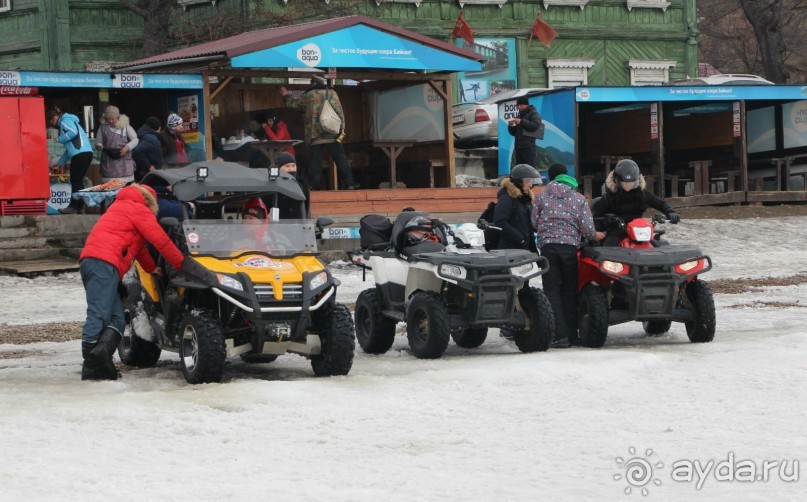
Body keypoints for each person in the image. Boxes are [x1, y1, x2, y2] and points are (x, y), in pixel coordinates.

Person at [78, 183, 185, 380]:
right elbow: (161, 240)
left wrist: (152, 268)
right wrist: (183, 265)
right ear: (150, 202)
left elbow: (139, 248)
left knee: (117, 317)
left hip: (95, 262)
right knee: (99, 313)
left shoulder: (120, 207)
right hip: (103, 263)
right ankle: (91, 366)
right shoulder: (138, 208)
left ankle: (101, 361)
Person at [532, 163, 605, 348]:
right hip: (569, 249)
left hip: (548, 247)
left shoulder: (542, 196)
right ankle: (572, 334)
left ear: (551, 178)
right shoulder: (578, 198)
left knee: (552, 290)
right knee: (569, 290)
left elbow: (533, 222)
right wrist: (596, 235)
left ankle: (558, 335)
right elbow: (588, 230)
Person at [280, 76, 359, 190]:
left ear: (313, 84)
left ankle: (314, 186)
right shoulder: (332, 93)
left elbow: (293, 105)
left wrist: (286, 95)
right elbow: (339, 112)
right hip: (332, 132)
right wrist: (342, 129)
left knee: (316, 161)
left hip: (314, 134)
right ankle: (350, 184)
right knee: (340, 159)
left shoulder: (308, 95)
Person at [591, 159, 680, 246]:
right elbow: (596, 218)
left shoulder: (643, 194)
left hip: (640, 230)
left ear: (637, 181)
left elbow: (660, 203)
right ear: (617, 181)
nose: (628, 185)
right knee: (608, 247)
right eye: (624, 183)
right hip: (617, 230)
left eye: (631, 183)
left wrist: (670, 212)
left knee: (661, 245)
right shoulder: (608, 197)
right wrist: (607, 221)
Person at [49, 107, 94, 215]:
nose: (54, 124)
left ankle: (74, 207)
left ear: (56, 117)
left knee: (75, 181)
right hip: (85, 153)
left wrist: (60, 139)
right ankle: (80, 206)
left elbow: (73, 132)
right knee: (78, 181)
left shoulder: (65, 120)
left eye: (53, 121)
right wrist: (61, 162)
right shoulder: (69, 121)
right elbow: (69, 149)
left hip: (80, 154)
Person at [493, 164, 541, 252]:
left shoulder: (525, 199)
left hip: (525, 248)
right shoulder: (507, 198)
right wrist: (519, 238)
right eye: (528, 181)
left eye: (531, 181)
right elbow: (499, 222)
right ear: (519, 181)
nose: (530, 185)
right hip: (511, 250)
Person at [95, 105, 138, 183]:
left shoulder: (126, 126)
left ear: (117, 117)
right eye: (108, 119)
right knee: (109, 186)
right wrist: (99, 146)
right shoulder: (102, 128)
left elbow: (135, 140)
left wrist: (127, 147)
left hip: (124, 162)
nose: (111, 121)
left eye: (113, 119)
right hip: (108, 162)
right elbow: (99, 142)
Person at [272, 152, 309, 220]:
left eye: (293, 166)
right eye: (287, 166)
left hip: (298, 226)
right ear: (279, 168)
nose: (291, 169)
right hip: (278, 227)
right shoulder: (273, 185)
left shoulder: (302, 185)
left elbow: (306, 207)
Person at [507, 97, 542, 167]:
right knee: (519, 169)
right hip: (518, 147)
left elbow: (535, 125)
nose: (519, 107)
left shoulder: (534, 113)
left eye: (521, 105)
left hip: (528, 148)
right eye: (517, 106)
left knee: (530, 168)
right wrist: (511, 126)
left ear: (526, 105)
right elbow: (513, 133)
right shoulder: (519, 116)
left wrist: (521, 121)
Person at [132, 116, 164, 182]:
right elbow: (137, 152)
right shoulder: (150, 137)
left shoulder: (146, 135)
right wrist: (149, 166)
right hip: (150, 174)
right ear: (157, 127)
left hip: (147, 173)